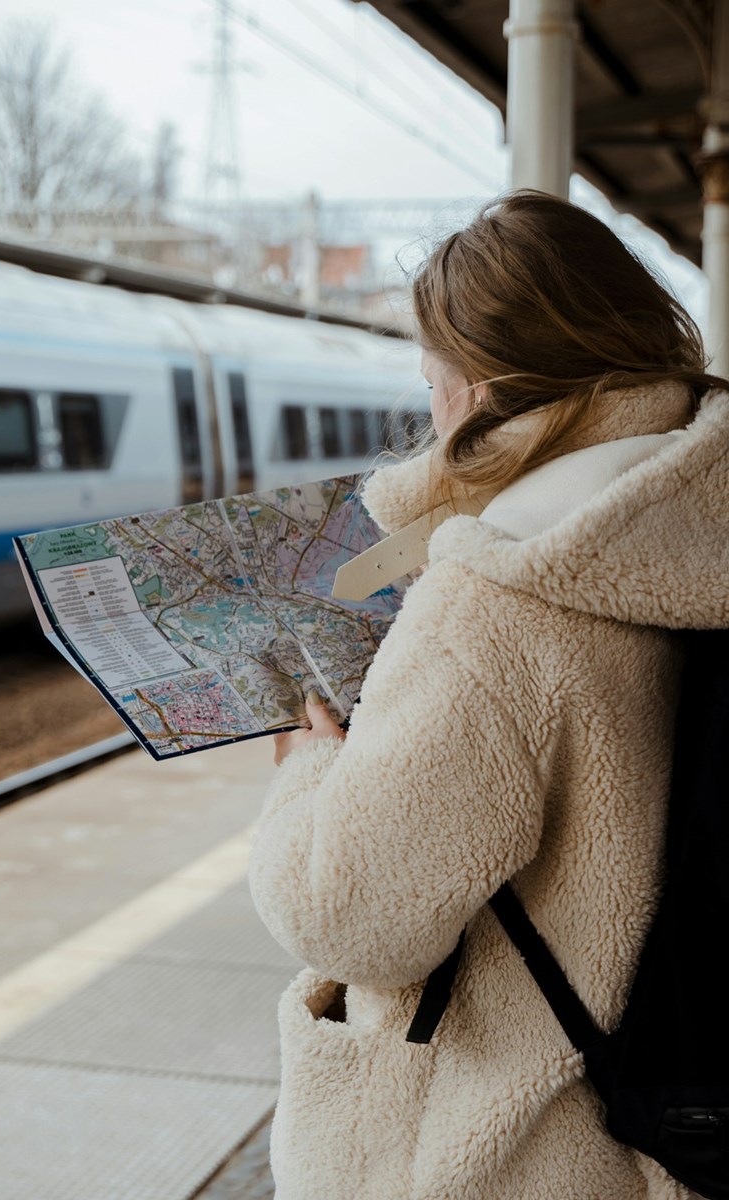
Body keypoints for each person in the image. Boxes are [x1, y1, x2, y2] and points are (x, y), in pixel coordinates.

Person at [247, 188, 729, 1200]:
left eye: (433, 381)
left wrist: (306, 771)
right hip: (666, 1132)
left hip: (518, 1154)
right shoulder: (688, 526)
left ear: (481, 388)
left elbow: (350, 914)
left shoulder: (493, 601)